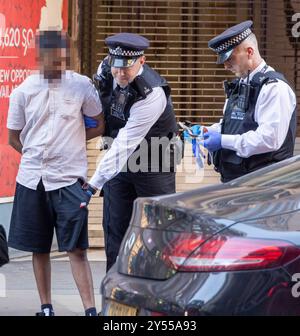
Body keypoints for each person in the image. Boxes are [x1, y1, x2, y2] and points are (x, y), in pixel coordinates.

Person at [7, 30, 104, 316]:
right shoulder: (24, 91)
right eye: (53, 61)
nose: (59, 66)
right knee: (39, 248)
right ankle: (46, 307)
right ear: (40, 60)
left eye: (63, 60)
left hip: (69, 180)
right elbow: (14, 137)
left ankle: (90, 310)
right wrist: (35, 154)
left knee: (76, 249)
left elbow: (98, 123)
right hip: (32, 180)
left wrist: (72, 140)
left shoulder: (82, 86)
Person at [85, 33, 179, 272]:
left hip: (152, 164)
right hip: (120, 165)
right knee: (115, 229)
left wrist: (92, 184)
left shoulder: (151, 93)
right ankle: (114, 294)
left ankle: (157, 296)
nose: (121, 74)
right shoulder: (107, 70)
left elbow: (125, 144)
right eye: (117, 67)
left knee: (157, 233)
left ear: (142, 61)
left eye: (127, 69)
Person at [185, 20, 297, 182]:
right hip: (236, 179)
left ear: (249, 52)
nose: (225, 66)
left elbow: (269, 139)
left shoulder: (274, 88)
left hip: (264, 184)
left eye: (230, 58)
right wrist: (208, 131)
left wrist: (222, 140)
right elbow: (235, 125)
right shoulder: (241, 84)